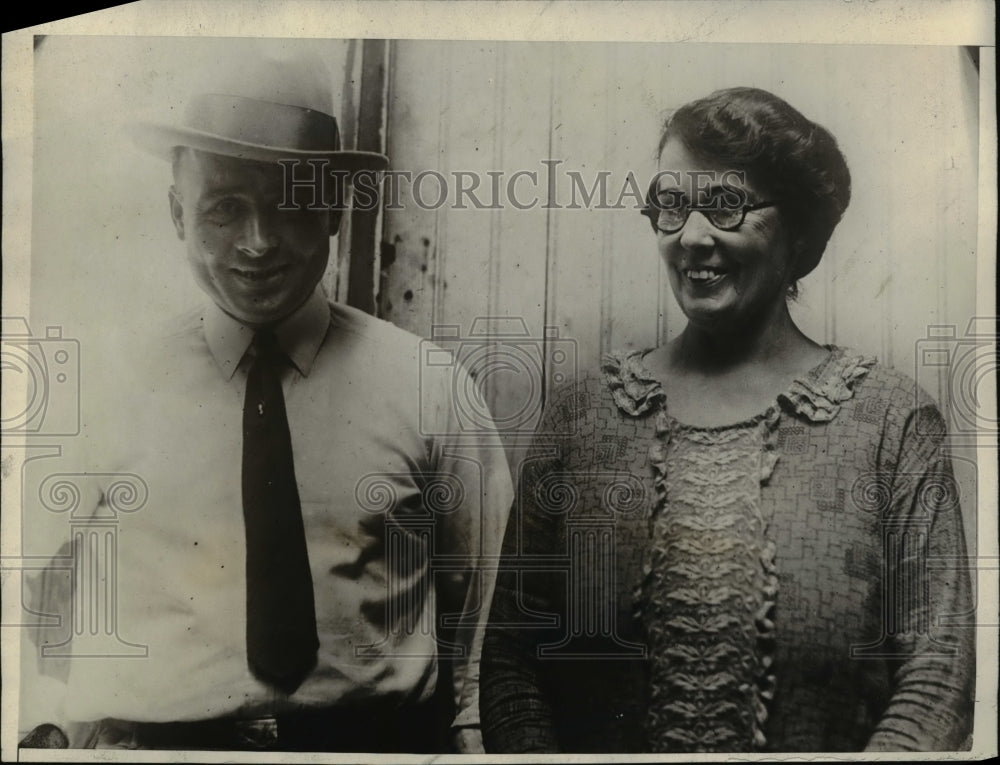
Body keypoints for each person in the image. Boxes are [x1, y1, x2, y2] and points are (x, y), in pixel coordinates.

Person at [18, 45, 512, 753]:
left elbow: (482, 618)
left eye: (292, 204)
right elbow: (23, 576)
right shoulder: (99, 386)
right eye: (225, 208)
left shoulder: (432, 388)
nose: (259, 242)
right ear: (178, 214)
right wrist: (40, 726)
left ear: (334, 209)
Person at [480, 86, 975, 753]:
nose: (691, 236)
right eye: (671, 206)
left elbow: (937, 679)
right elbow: (512, 664)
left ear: (799, 231)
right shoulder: (582, 415)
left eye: (725, 204)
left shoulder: (891, 421)